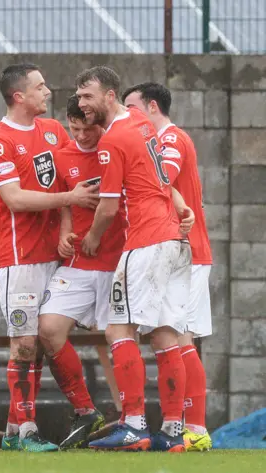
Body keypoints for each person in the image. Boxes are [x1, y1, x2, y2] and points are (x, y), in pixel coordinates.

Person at [73, 66, 194, 452]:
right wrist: (180, 205)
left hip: (146, 241)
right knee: (163, 332)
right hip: (172, 237)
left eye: (88, 96)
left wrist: (91, 239)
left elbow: (108, 208)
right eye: (79, 97)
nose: (82, 103)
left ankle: (134, 424)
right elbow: (161, 178)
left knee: (118, 330)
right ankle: (173, 430)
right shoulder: (141, 122)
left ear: (110, 95)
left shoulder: (114, 139)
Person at [0, 64, 99, 452]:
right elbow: (14, 199)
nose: (47, 91)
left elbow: (68, 182)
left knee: (46, 338)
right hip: (20, 259)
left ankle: (18, 431)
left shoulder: (53, 131)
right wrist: (68, 200)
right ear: (20, 96)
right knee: (24, 345)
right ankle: (28, 431)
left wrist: (67, 227)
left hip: (57, 257)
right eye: (40, 86)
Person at [123, 82, 213, 452]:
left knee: (181, 336)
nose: (127, 116)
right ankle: (189, 427)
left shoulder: (170, 141)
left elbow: (162, 179)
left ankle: (194, 427)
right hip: (175, 250)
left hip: (184, 252)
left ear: (153, 107)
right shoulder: (156, 141)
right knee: (177, 336)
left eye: (132, 108)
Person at [38, 94, 127, 449]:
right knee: (48, 329)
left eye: (87, 129)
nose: (81, 136)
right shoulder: (62, 156)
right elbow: (63, 203)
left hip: (116, 261)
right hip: (78, 262)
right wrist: (63, 234)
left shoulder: (116, 148)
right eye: (74, 129)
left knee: (119, 341)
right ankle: (87, 410)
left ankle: (133, 417)